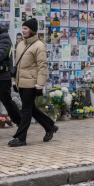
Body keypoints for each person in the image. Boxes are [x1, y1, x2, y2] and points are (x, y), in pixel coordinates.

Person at [9, 18, 57, 147]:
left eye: (25, 29)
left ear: (32, 30)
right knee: (31, 109)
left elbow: (42, 67)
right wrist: (14, 82)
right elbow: (17, 65)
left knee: (26, 110)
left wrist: (39, 85)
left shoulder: (39, 46)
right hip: (21, 82)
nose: (23, 31)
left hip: (32, 83)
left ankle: (21, 137)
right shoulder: (20, 45)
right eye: (23, 28)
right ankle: (50, 126)